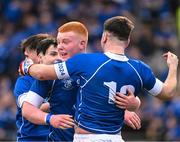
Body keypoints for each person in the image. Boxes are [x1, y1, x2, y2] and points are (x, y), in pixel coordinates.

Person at [21, 21, 141, 141]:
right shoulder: (52, 73)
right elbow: (27, 109)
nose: (60, 47)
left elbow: (125, 95)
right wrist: (50, 118)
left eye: (65, 42)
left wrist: (131, 105)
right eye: (58, 42)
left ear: (82, 44)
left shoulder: (101, 67)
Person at [13, 34, 51, 141]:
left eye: (27, 55)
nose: (25, 59)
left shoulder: (59, 77)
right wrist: (56, 103)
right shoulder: (24, 81)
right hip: (31, 138)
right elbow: (29, 108)